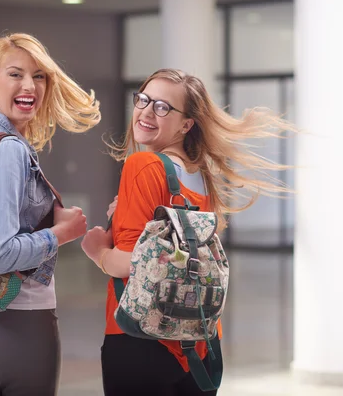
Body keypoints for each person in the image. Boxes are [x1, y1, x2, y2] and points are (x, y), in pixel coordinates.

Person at [80, 68, 295, 396]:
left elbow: (134, 263)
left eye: (163, 107)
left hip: (140, 341)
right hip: (202, 344)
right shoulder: (202, 175)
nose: (147, 111)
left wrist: (98, 251)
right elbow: (177, 252)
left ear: (186, 124)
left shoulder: (144, 165)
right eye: (143, 100)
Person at [0, 33, 101, 396]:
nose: (30, 85)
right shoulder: (9, 148)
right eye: (15, 74)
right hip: (15, 325)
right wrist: (62, 233)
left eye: (39, 75)